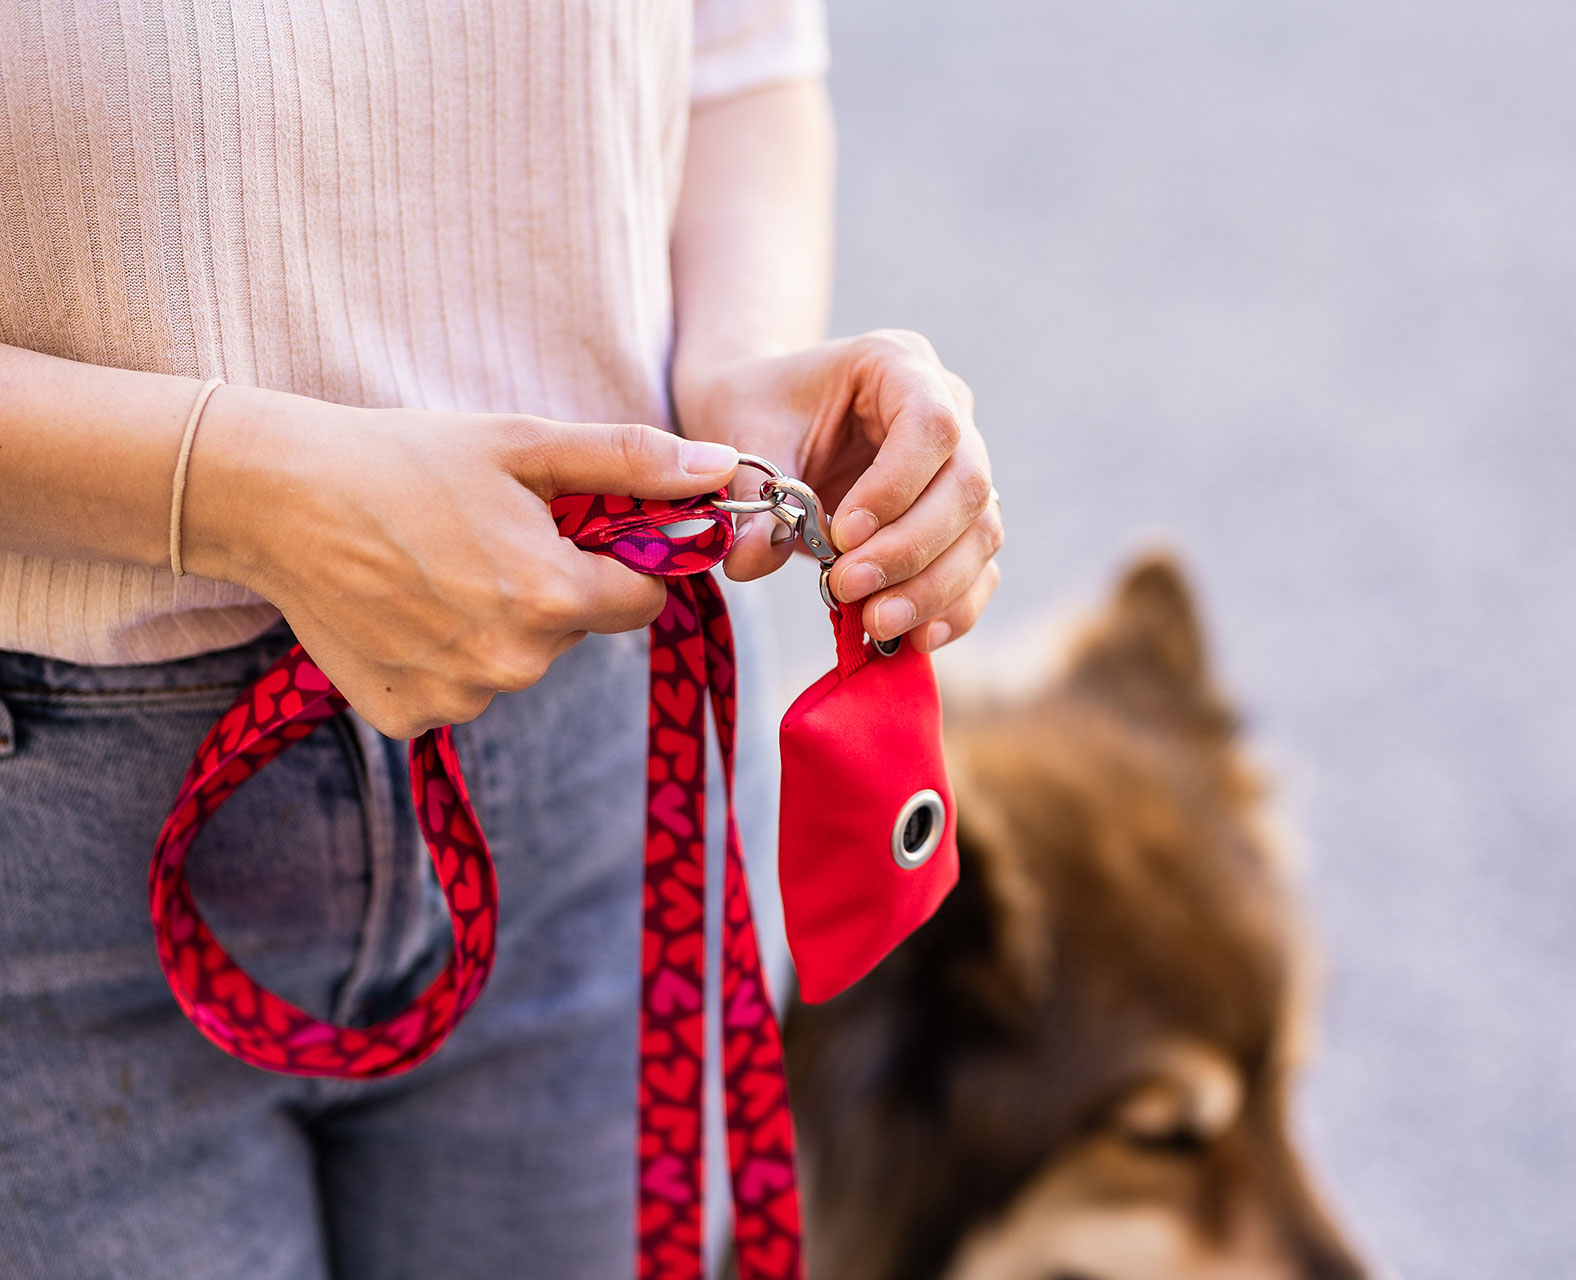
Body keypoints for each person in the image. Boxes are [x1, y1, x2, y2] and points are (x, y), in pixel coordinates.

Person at [0, 3, 1001, 1277]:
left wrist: (742, 364)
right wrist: (234, 488)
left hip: (606, 784)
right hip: (39, 868)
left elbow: (736, 52)